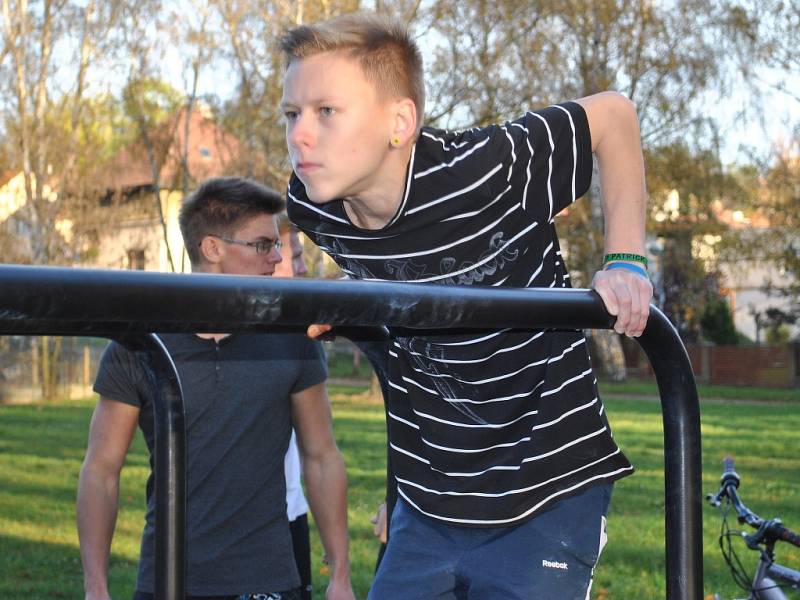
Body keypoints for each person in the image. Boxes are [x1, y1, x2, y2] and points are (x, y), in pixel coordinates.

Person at [279, 12, 653, 600]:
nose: (300, 134)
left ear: (400, 121)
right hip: (431, 496)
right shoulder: (313, 206)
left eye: (327, 111)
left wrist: (627, 259)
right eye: (292, 114)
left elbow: (613, 115)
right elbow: (405, 314)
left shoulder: (486, 170)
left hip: (545, 482)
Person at [77, 177, 355, 600]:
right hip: (167, 581)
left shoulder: (292, 337)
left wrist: (340, 575)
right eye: (263, 245)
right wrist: (95, 587)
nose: (277, 256)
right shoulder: (140, 342)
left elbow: (321, 457)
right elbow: (101, 470)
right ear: (212, 249)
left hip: (269, 581)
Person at [274, 214, 312, 600]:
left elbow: (321, 453)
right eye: (295, 256)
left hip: (291, 514)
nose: (302, 267)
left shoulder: (298, 335)